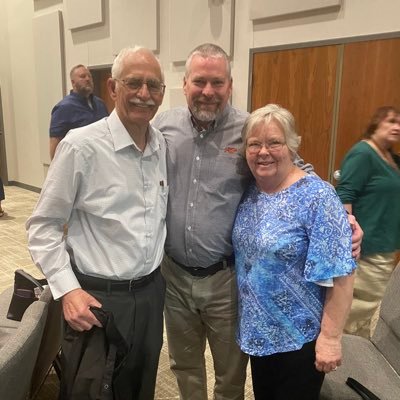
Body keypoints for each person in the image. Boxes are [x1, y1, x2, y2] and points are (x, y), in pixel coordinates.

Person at [153, 43, 362, 400]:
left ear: (230, 85)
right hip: (174, 276)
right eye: (199, 81)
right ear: (185, 84)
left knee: (231, 371)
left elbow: (288, 165)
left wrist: (340, 215)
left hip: (225, 279)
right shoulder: (163, 127)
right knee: (183, 364)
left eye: (217, 82)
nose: (208, 91)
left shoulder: (245, 128)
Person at [27, 46, 167, 400]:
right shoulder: (80, 146)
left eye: (154, 86)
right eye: (134, 83)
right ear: (113, 88)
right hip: (97, 299)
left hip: (150, 296)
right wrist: (68, 290)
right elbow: (43, 227)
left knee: (140, 386)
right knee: (92, 392)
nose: (144, 94)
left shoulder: (160, 145)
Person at [232, 104, 356, 400]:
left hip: (299, 339)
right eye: (255, 144)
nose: (264, 151)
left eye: (274, 142)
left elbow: (342, 273)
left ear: (291, 146)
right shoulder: (253, 189)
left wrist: (330, 338)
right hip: (259, 334)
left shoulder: (318, 196)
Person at [336, 106, 400, 339]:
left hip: (384, 250)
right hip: (365, 253)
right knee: (349, 315)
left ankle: (352, 367)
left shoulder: (392, 159)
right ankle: (319, 362)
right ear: (376, 124)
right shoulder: (364, 153)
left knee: (361, 321)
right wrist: (347, 243)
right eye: (391, 121)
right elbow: (344, 195)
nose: (397, 127)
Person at [49, 64, 109, 159]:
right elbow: (55, 146)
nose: (88, 79)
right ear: (73, 82)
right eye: (82, 77)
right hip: (77, 163)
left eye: (89, 76)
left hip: (101, 161)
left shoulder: (100, 104)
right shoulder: (63, 108)